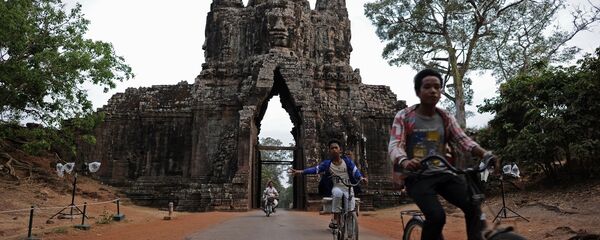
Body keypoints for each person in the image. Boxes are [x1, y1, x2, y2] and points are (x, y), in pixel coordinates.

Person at [389, 69, 494, 240]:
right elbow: (395, 145)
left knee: (473, 205)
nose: (433, 91)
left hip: (444, 172)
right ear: (418, 92)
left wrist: (485, 154)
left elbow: (463, 139)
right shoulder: (404, 116)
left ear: (441, 92)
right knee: (437, 217)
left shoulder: (445, 116)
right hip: (417, 176)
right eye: (427, 87)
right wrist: (405, 161)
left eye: (437, 87)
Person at [290, 139, 368, 229]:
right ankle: (335, 219)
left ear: (340, 150)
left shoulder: (347, 162)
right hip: (336, 187)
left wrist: (361, 178)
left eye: (336, 148)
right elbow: (315, 169)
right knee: (337, 193)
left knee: (350, 209)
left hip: (348, 188)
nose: (334, 150)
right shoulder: (327, 164)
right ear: (329, 151)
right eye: (332, 148)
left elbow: (355, 171)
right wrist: (300, 172)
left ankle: (351, 233)